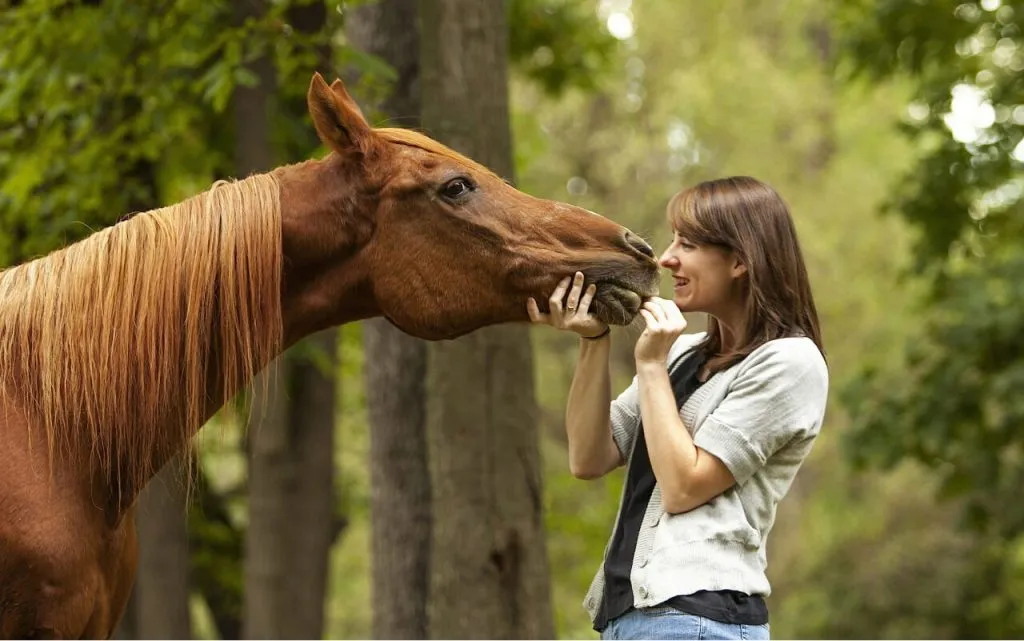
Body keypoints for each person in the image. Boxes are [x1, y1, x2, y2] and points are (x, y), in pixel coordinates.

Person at [527, 176, 828, 640]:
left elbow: (685, 487)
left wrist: (649, 367)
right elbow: (588, 457)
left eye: (687, 244)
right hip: (631, 619)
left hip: (697, 619)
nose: (666, 259)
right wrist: (594, 339)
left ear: (740, 261)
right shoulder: (685, 355)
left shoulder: (790, 363)